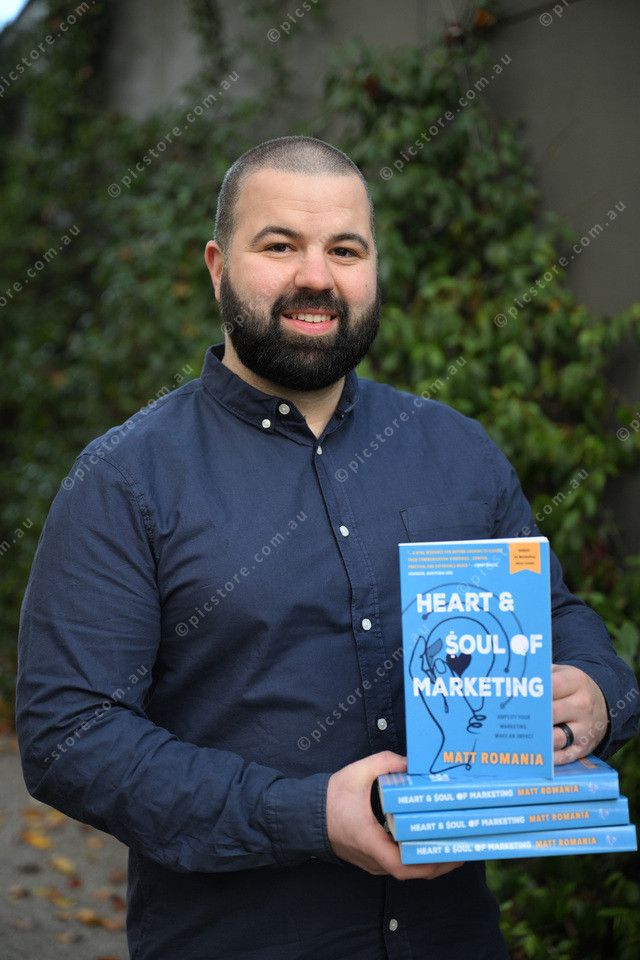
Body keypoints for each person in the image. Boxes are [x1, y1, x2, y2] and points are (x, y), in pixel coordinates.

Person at [16, 136, 639, 960]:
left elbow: (560, 622)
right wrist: (305, 814)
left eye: (345, 250)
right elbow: (70, 736)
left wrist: (600, 695)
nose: (317, 277)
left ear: (374, 268)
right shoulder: (126, 480)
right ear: (217, 267)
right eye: (280, 245)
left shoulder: (459, 452)